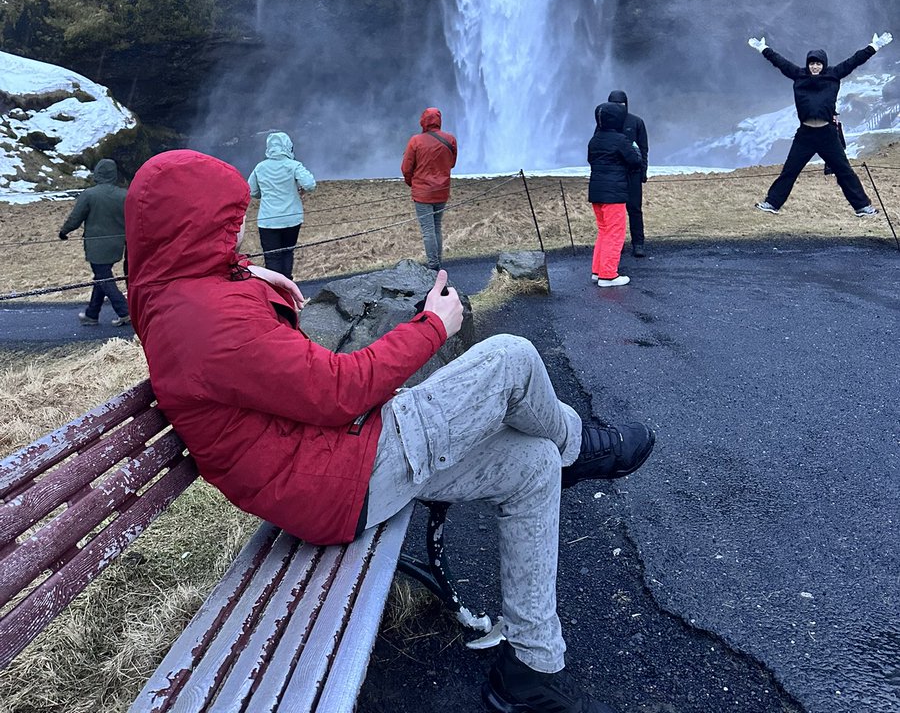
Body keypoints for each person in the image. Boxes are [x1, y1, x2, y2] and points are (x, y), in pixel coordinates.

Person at [124, 149, 655, 713]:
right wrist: (434, 325)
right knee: (511, 358)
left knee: (532, 465)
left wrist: (249, 272)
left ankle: (529, 665)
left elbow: (239, 321)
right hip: (338, 478)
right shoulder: (209, 320)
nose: (238, 234)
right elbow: (339, 391)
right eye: (227, 225)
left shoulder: (173, 294)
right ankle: (576, 445)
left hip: (334, 461)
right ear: (193, 229)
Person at [748, 32, 893, 215]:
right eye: (811, 63)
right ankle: (772, 204)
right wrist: (763, 48)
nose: (814, 67)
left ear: (823, 64)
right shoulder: (798, 75)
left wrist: (875, 46)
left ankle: (863, 207)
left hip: (827, 134)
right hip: (805, 135)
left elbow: (854, 61)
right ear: (807, 64)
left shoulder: (833, 75)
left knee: (844, 171)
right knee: (790, 171)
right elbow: (780, 62)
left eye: (818, 63)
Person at [58, 157, 130, 326]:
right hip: (117, 244)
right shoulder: (124, 195)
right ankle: (92, 314)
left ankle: (124, 311)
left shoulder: (89, 194)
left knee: (103, 277)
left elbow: (76, 218)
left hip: (96, 245)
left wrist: (64, 231)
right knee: (101, 276)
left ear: (97, 173)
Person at [588, 104, 644, 288]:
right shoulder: (620, 140)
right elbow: (635, 161)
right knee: (615, 233)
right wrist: (635, 149)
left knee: (603, 231)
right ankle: (608, 275)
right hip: (614, 194)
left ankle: (597, 271)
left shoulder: (594, 140)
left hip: (596, 193)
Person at [247, 131, 316, 279]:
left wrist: (264, 194)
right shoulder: (294, 166)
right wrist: (299, 188)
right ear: (288, 147)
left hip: (268, 221)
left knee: (272, 257)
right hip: (291, 219)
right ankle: (288, 286)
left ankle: (275, 291)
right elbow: (310, 184)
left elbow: (252, 191)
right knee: (287, 252)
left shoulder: (260, 167)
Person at [401, 107, 457, 270]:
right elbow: (452, 163)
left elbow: (406, 168)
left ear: (423, 121)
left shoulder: (415, 141)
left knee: (428, 230)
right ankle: (438, 263)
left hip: (422, 193)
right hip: (442, 191)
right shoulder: (450, 139)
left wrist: (412, 183)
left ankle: (433, 266)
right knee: (437, 227)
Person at [607, 89, 649, 257]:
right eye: (614, 105)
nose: (618, 108)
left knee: (634, 209)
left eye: (620, 105)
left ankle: (638, 243)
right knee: (615, 211)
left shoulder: (636, 122)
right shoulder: (605, 124)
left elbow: (643, 148)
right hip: (614, 173)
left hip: (632, 172)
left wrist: (643, 171)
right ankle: (617, 243)